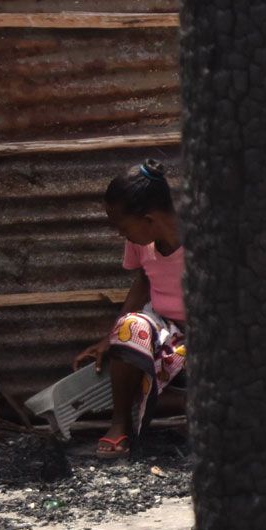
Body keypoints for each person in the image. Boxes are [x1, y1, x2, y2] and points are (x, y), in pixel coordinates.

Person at [72, 160, 186, 460]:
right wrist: (109, 339)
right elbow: (143, 282)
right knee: (129, 326)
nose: (121, 235)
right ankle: (120, 422)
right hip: (166, 328)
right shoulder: (142, 242)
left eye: (123, 228)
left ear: (148, 220)